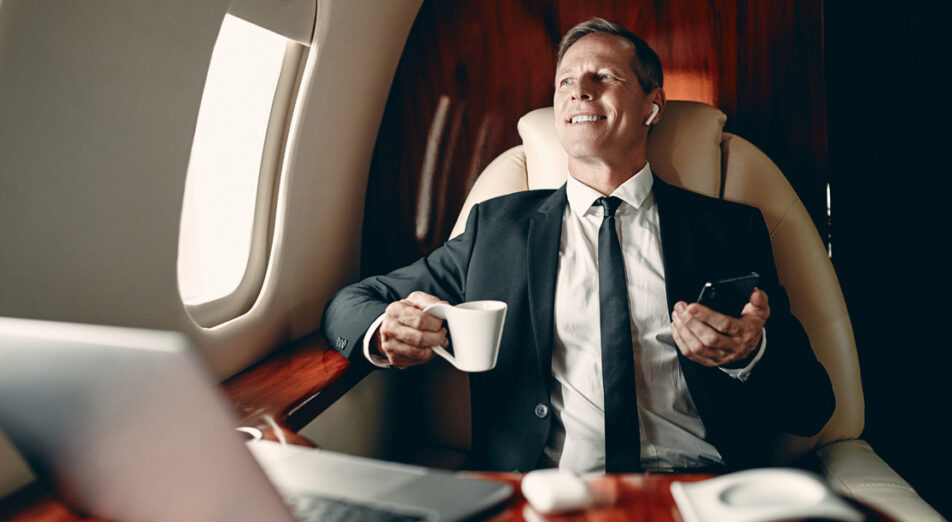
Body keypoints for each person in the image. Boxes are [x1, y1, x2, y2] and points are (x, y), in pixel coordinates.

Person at [322, 18, 834, 474]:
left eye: (603, 78)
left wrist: (749, 353)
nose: (578, 92)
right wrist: (383, 330)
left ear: (653, 104)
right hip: (547, 495)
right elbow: (350, 304)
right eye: (565, 81)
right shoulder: (495, 229)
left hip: (696, 486)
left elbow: (812, 406)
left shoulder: (730, 230)